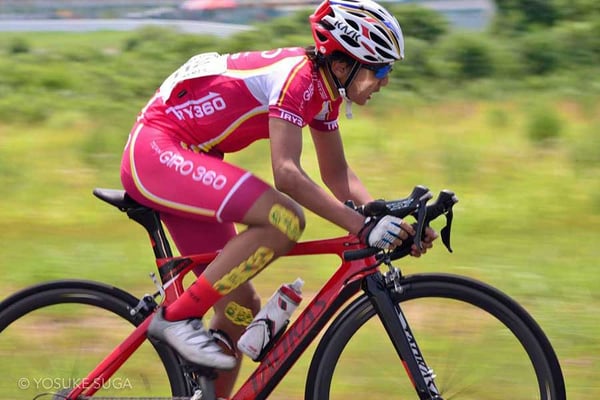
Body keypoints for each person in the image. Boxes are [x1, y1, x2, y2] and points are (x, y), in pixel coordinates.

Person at [120, 0, 437, 397]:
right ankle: (175, 320)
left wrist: (390, 227)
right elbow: (286, 173)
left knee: (239, 307)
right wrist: (361, 226)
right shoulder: (298, 79)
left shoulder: (324, 93)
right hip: (157, 152)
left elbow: (337, 175)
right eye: (381, 70)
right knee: (284, 219)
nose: (385, 82)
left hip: (189, 158)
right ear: (344, 64)